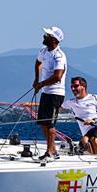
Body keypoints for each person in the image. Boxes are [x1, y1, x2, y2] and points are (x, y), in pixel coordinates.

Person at [32, 26, 67, 161]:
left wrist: (41, 84)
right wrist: (36, 79)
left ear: (54, 39)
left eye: (47, 35)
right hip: (46, 91)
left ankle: (50, 152)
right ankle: (53, 149)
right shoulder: (43, 51)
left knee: (50, 124)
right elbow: (37, 63)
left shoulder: (59, 56)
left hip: (56, 93)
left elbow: (57, 76)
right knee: (42, 122)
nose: (44, 37)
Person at [62, 76, 97, 155]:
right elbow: (57, 107)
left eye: (75, 86)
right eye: (71, 87)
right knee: (83, 142)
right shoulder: (71, 102)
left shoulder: (94, 98)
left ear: (83, 87)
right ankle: (95, 161)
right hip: (87, 133)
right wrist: (39, 106)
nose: (73, 89)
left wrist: (94, 120)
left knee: (92, 139)